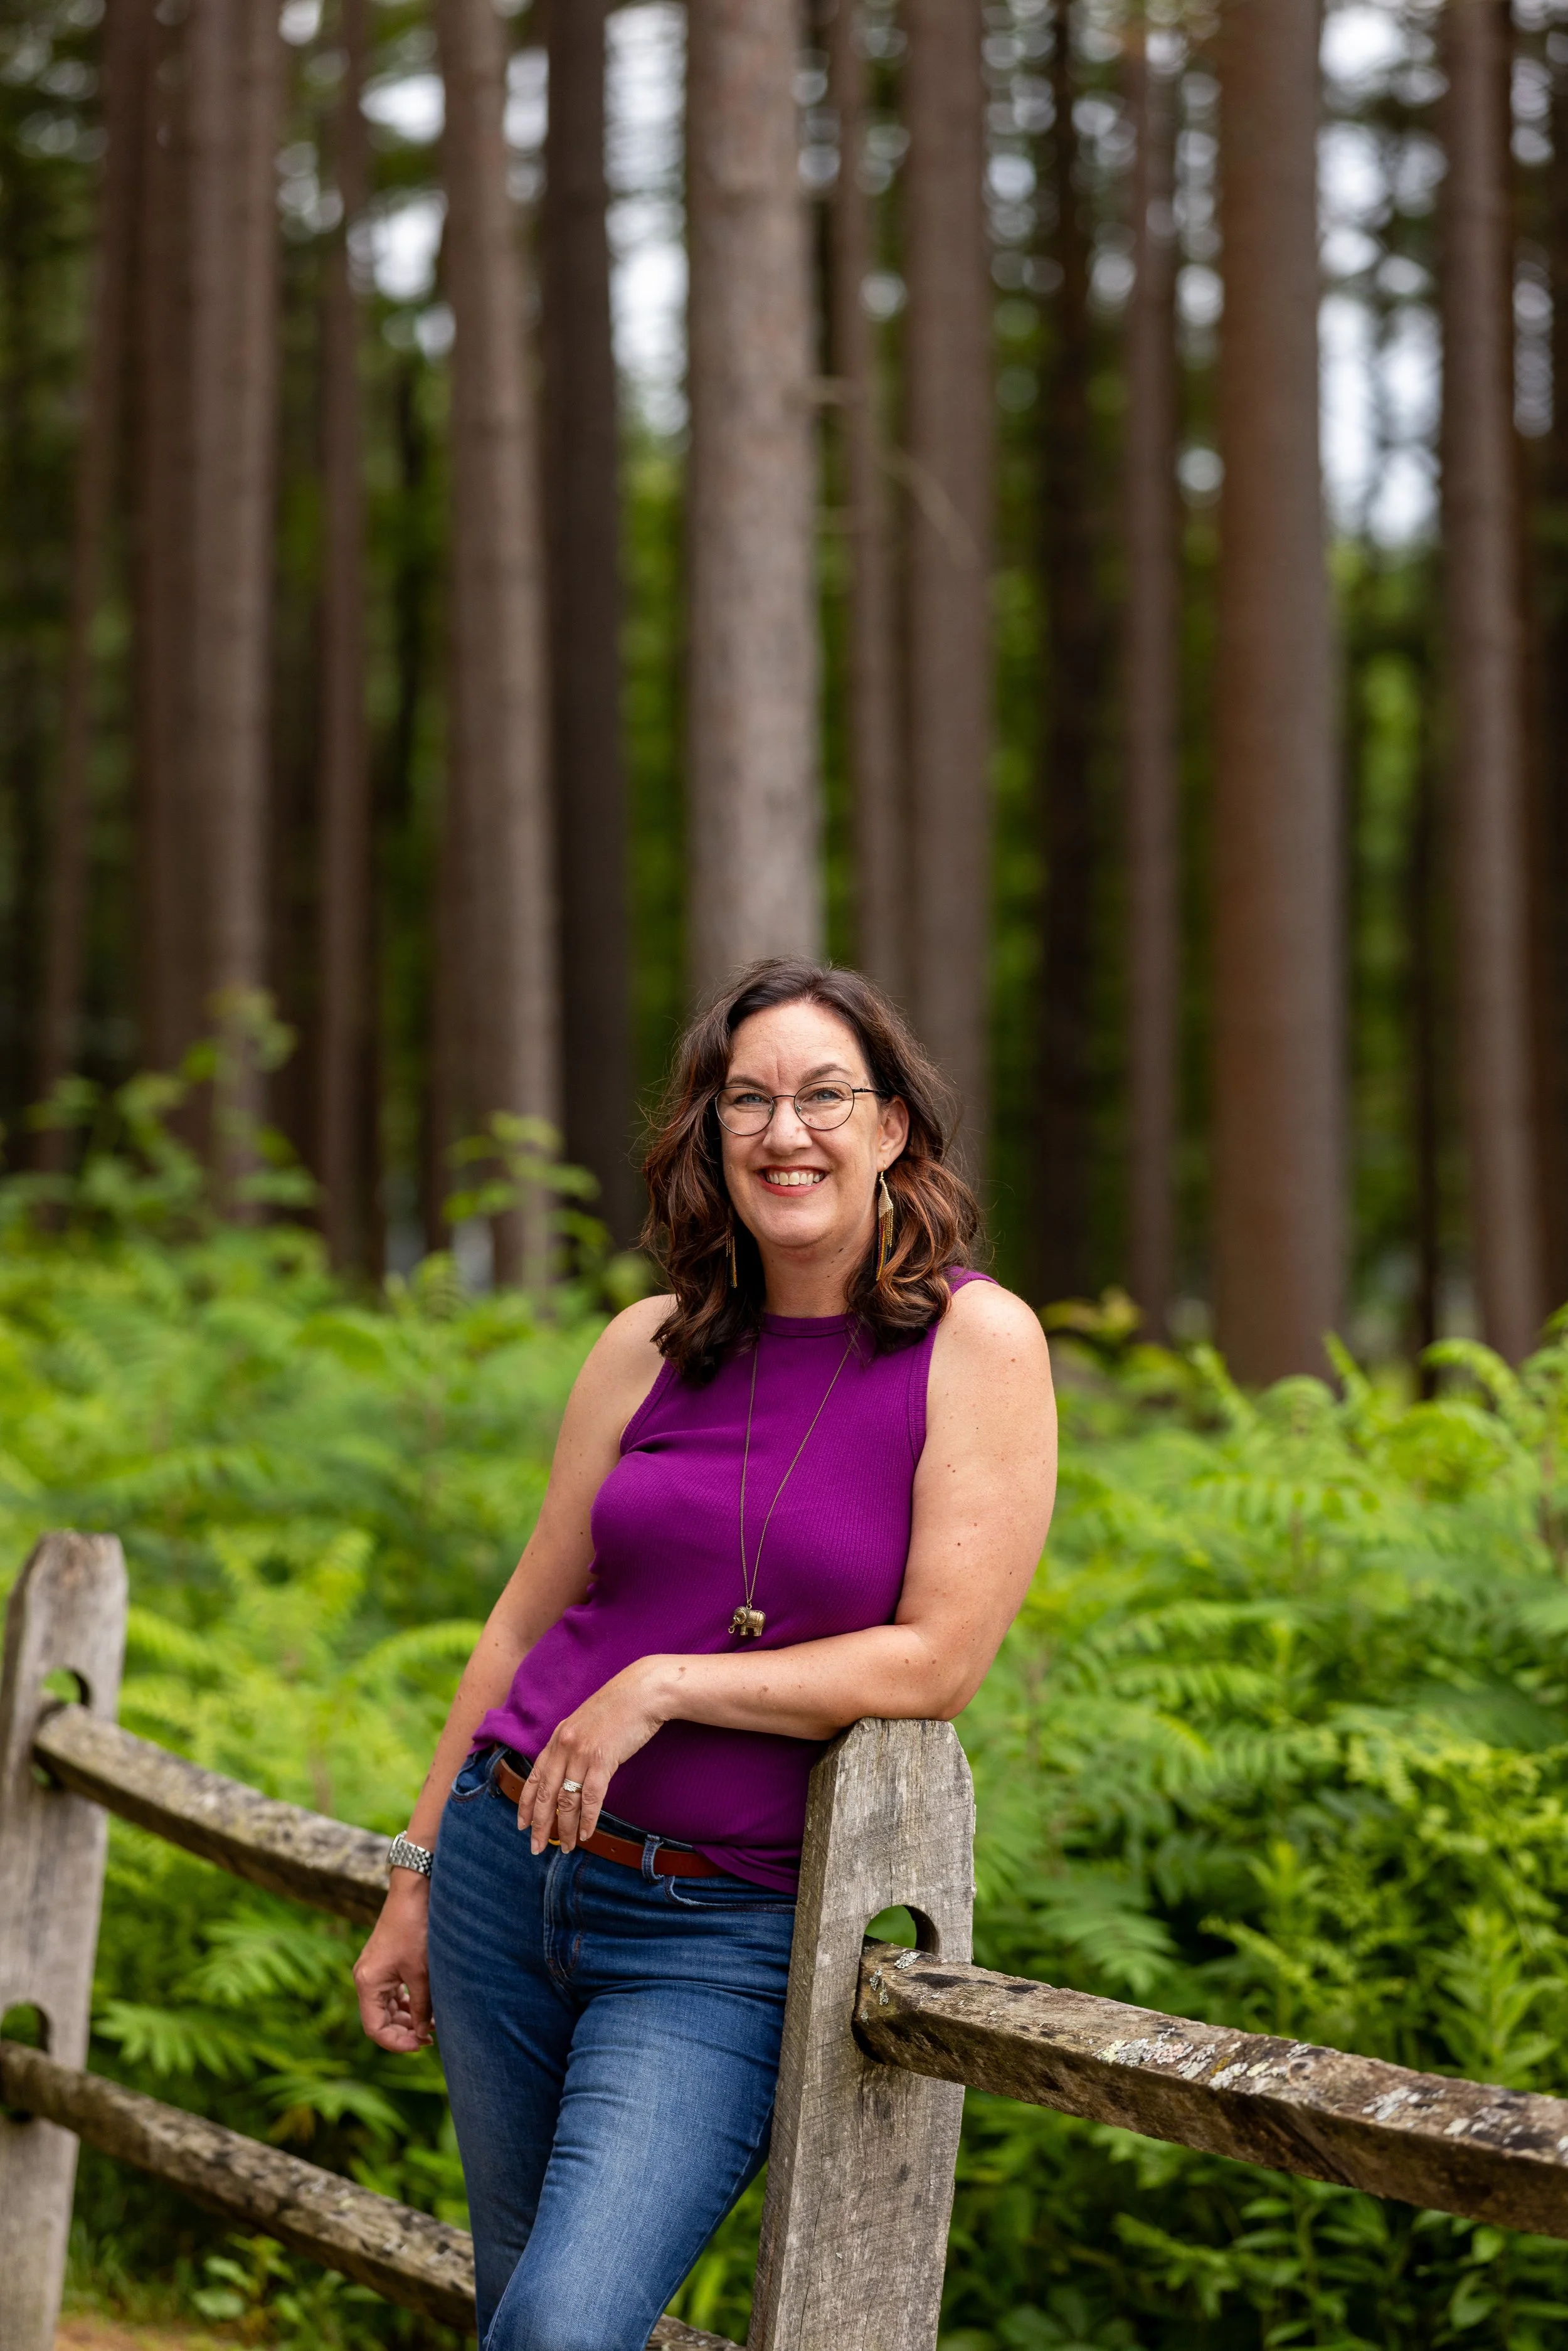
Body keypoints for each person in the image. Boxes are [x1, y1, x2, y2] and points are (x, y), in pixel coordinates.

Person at [353, 957, 1057, 2351]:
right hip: (507, 1874)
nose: (784, 1131)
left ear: (891, 1126)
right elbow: (521, 1623)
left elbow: (936, 1662)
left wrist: (664, 1685)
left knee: (562, 2323)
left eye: (823, 1096)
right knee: (517, 2311)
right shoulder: (647, 1344)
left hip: (715, 1931)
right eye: (748, 1099)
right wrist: (416, 1872)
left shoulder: (974, 1343)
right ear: (710, 1130)